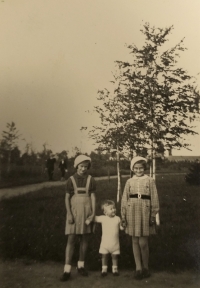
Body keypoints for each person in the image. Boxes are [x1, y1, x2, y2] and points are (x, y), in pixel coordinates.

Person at [121, 156, 159, 280]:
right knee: (135, 241)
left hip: (145, 210)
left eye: (141, 168)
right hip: (132, 210)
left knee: (143, 242)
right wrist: (123, 215)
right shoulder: (129, 182)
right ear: (132, 169)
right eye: (136, 168)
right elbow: (124, 199)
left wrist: (153, 214)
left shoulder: (150, 180)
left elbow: (154, 197)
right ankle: (138, 268)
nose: (138, 170)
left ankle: (146, 267)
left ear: (144, 168)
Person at [60, 154, 96, 282]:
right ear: (76, 166)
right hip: (74, 213)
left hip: (87, 212)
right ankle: (67, 269)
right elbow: (67, 198)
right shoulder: (71, 180)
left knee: (84, 239)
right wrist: (69, 214)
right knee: (71, 239)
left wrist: (93, 213)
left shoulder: (91, 179)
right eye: (81, 166)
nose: (83, 169)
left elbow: (92, 197)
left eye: (86, 167)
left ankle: (81, 265)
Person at [94, 200, 124, 277]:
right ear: (105, 212)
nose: (113, 210)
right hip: (105, 244)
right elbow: (94, 218)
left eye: (114, 208)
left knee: (115, 257)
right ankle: (104, 269)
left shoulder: (117, 218)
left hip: (115, 244)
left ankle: (115, 269)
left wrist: (123, 224)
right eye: (111, 209)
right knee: (104, 256)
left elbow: (121, 228)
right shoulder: (103, 218)